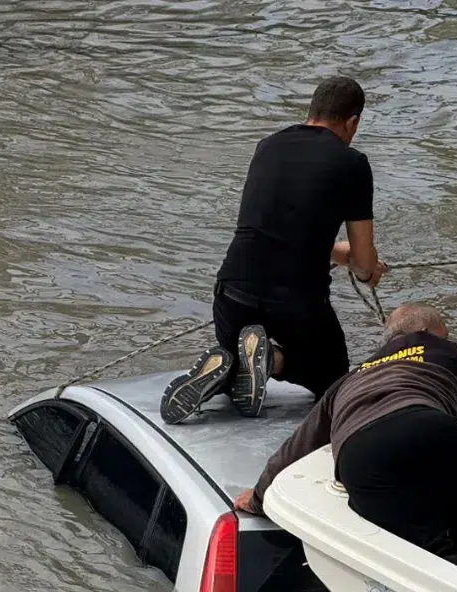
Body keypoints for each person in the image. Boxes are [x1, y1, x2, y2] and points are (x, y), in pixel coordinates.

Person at [234, 303, 457, 580]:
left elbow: (298, 445)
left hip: (363, 446)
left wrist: (259, 498)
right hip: (432, 426)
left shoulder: (349, 380)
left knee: (422, 548)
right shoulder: (442, 352)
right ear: (427, 332)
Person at [159, 75, 387, 426]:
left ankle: (234, 363)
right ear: (352, 121)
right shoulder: (352, 163)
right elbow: (362, 263)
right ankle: (271, 362)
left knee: (237, 352)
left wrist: (334, 252)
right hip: (296, 305)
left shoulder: (267, 146)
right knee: (332, 374)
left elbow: (277, 231)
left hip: (232, 295)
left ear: (311, 111)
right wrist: (368, 270)